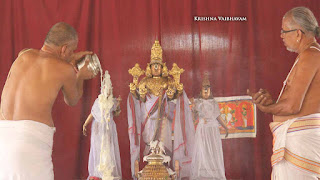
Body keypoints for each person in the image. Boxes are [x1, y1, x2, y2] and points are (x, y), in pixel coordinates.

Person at [0, 22, 96, 179]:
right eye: (71, 50)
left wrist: (68, 59)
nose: (73, 53)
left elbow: (49, 61)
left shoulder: (24, 54)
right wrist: (80, 76)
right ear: (64, 49)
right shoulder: (65, 70)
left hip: (3, 136)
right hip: (30, 140)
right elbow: (72, 100)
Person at [248, 7, 320, 179]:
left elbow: (292, 106)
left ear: (298, 33)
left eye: (284, 31)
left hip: (300, 142)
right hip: (298, 142)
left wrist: (265, 108)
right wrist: (271, 103)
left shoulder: (311, 55)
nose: (281, 35)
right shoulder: (307, 55)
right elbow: (294, 100)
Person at [127, 40, 195, 179]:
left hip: (163, 118)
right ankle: (150, 171)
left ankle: (165, 170)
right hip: (148, 118)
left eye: (158, 65)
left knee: (163, 145)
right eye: (154, 66)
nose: (156, 68)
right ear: (149, 67)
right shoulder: (144, 81)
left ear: (162, 67)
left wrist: (173, 93)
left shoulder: (168, 81)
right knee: (150, 143)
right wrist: (134, 90)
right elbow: (139, 98)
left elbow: (174, 97)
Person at [82, 71, 122, 180]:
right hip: (98, 128)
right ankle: (97, 173)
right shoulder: (98, 101)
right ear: (102, 90)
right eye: (106, 89)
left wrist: (118, 105)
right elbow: (92, 113)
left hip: (109, 128)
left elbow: (116, 113)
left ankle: (108, 172)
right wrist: (85, 123)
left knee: (109, 148)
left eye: (109, 90)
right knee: (98, 148)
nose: (107, 92)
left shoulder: (112, 102)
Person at [191, 73, 228, 180]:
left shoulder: (214, 103)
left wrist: (225, 127)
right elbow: (193, 118)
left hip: (212, 130)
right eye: (204, 90)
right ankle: (202, 173)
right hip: (202, 129)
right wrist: (193, 108)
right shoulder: (198, 102)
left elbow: (218, 117)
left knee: (213, 149)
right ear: (201, 91)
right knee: (202, 149)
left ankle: (213, 173)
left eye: (208, 91)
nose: (206, 93)